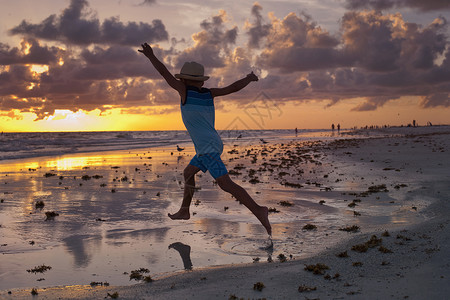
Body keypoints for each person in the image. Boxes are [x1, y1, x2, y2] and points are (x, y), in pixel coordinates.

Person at [139, 43, 272, 236]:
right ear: (201, 82)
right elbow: (233, 88)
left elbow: (164, 73)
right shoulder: (210, 93)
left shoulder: (183, 91)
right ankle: (185, 210)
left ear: (183, 80)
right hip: (208, 145)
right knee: (188, 172)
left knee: (226, 184)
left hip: (208, 147)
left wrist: (151, 55)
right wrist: (248, 78)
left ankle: (259, 210)